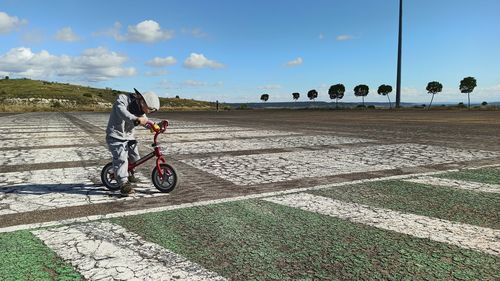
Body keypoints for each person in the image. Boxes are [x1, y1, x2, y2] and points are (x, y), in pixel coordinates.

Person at [105, 89, 160, 196]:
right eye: (149, 109)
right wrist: (136, 119)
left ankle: (129, 172)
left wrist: (155, 126)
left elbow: (145, 121)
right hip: (116, 136)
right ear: (143, 101)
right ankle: (123, 183)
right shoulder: (122, 99)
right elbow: (123, 113)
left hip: (128, 137)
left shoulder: (140, 110)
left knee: (135, 158)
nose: (148, 112)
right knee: (121, 158)